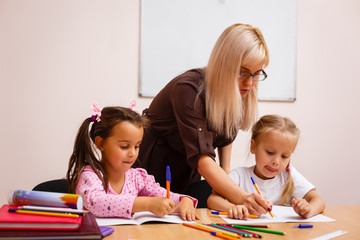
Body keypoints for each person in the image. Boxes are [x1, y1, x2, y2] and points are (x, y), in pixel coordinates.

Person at [137, 23, 272, 212]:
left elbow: (224, 135)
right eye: (242, 72)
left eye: (256, 74)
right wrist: (242, 197)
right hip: (152, 173)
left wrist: (226, 174)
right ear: (225, 65)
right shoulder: (189, 90)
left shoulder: (237, 90)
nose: (249, 83)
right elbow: (202, 158)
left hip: (187, 175)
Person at [66, 100, 198, 221]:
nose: (133, 153)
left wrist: (184, 200)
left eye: (137, 146)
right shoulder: (89, 176)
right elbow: (96, 202)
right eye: (124, 146)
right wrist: (146, 203)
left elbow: (165, 196)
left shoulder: (137, 177)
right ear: (101, 144)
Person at [207, 115, 325, 219]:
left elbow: (318, 201)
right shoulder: (239, 175)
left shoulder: (289, 176)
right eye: (270, 152)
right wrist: (232, 208)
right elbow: (212, 200)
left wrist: (308, 210)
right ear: (253, 147)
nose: (276, 162)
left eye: (284, 156)